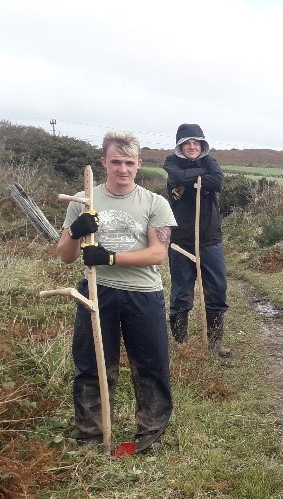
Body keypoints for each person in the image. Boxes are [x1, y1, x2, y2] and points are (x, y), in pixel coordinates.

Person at [56, 130, 177, 453]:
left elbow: (157, 254)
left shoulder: (155, 203)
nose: (122, 169)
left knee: (151, 365)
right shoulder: (84, 200)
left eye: (128, 163)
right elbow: (65, 255)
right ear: (103, 163)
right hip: (97, 293)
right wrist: (77, 231)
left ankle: (149, 436)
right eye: (115, 162)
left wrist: (110, 257)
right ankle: (91, 437)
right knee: (92, 364)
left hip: (143, 293)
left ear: (138, 164)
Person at [163, 123, 231, 357]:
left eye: (196, 142)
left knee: (218, 289)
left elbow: (218, 182)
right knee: (181, 292)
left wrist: (189, 179)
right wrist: (199, 177)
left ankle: (215, 343)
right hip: (180, 240)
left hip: (210, 239)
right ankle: (181, 345)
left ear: (202, 144)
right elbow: (176, 176)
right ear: (180, 145)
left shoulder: (210, 161)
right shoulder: (171, 162)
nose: (192, 146)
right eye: (187, 142)